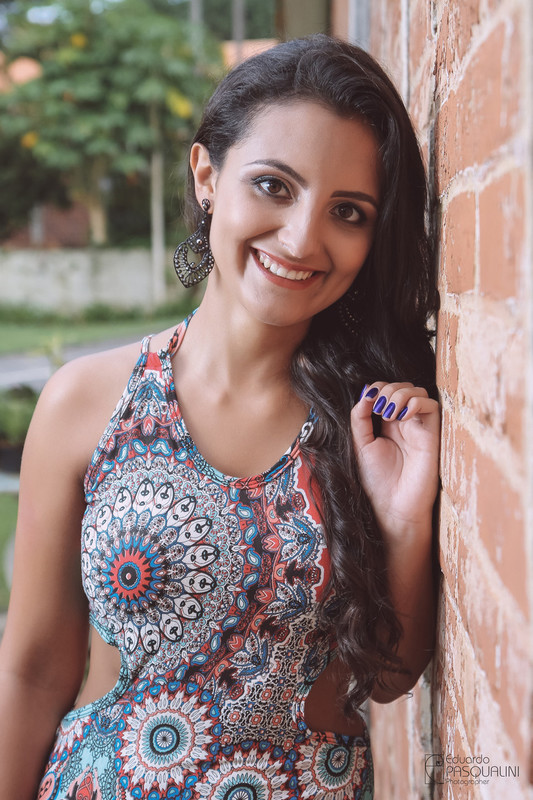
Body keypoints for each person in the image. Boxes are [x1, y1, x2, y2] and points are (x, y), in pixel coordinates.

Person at [0, 34, 440, 800]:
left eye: (347, 211)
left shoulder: (369, 427)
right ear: (207, 176)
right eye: (273, 186)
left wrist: (402, 522)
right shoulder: (84, 403)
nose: (301, 238)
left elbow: (391, 675)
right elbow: (33, 670)